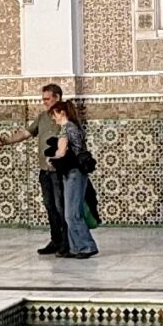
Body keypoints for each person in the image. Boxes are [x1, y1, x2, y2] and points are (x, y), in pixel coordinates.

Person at [0, 83, 72, 254]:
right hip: (45, 170)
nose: (44, 102)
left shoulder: (65, 116)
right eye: (43, 99)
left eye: (47, 99)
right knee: (50, 206)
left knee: (62, 208)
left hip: (59, 171)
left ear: (57, 98)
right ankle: (56, 241)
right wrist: (6, 141)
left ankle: (67, 243)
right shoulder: (43, 117)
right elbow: (26, 133)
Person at [46, 96, 100, 258]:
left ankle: (87, 246)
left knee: (71, 213)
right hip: (74, 173)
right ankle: (76, 248)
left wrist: (52, 158)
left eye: (54, 115)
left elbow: (61, 152)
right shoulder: (74, 127)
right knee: (71, 211)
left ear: (62, 113)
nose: (54, 120)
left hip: (74, 173)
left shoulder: (67, 128)